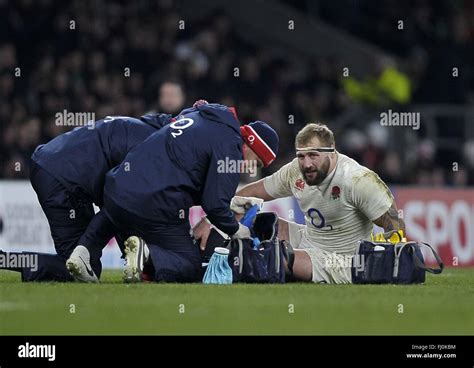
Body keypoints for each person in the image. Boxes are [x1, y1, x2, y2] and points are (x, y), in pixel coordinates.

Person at [66, 102, 279, 283]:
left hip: (118, 182)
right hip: (155, 201)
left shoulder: (202, 116)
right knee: (190, 263)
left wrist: (228, 204)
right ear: (251, 144)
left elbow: (189, 170)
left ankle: (83, 251)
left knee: (114, 213)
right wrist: (236, 229)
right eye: (257, 161)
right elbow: (213, 204)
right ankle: (147, 254)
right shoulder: (231, 148)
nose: (252, 168)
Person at [194, 123, 405, 284]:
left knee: (275, 259)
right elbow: (253, 192)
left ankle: (223, 270)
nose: (306, 164)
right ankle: (203, 260)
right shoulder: (296, 170)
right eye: (301, 156)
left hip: (340, 259)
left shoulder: (357, 180)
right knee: (256, 221)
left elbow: (395, 225)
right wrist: (211, 218)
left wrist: (385, 250)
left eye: (313, 155)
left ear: (332, 151)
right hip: (310, 238)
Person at [0, 113, 172, 281]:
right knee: (79, 268)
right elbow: (120, 205)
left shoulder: (145, 127)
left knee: (84, 262)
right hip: (63, 179)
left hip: (53, 166)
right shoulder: (152, 152)